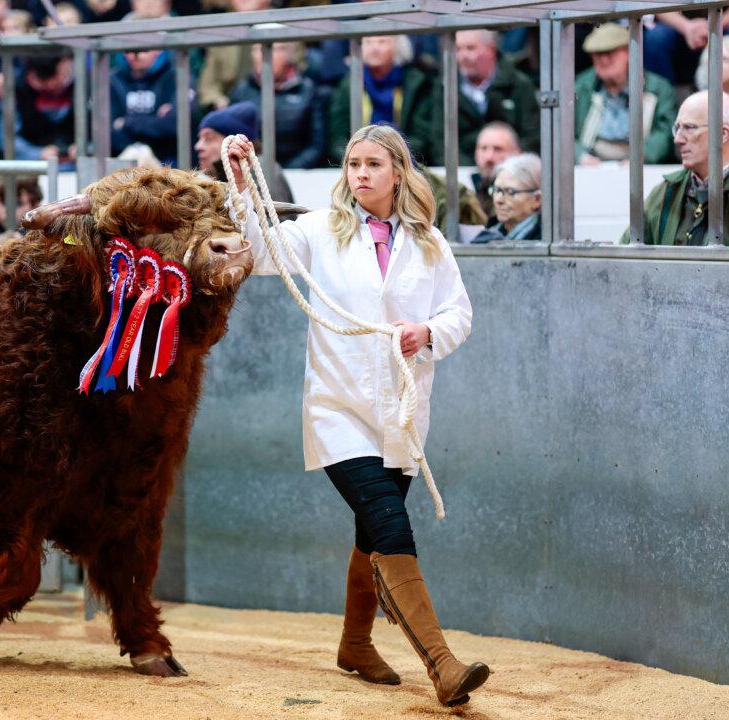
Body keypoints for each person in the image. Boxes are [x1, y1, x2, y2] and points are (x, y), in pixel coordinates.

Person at [225, 125, 488, 708]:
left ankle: (354, 644)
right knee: (390, 524)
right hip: (338, 407)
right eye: (352, 164)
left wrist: (430, 333)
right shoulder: (319, 230)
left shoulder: (430, 243)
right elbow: (261, 254)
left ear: (398, 172)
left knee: (371, 533)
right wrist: (241, 188)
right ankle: (442, 666)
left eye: (373, 164)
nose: (360, 174)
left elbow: (459, 312)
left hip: (402, 412)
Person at [620, 91, 729, 246]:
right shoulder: (664, 192)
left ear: (722, 134)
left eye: (689, 127)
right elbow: (626, 255)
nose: (677, 139)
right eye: (677, 128)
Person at [432, 29, 540, 165]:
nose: (462, 56)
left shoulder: (520, 85)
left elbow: (532, 137)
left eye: (470, 48)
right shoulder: (444, 86)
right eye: (458, 49)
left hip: (511, 172)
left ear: (491, 49)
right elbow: (440, 141)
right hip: (462, 174)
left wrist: (508, 168)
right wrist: (466, 173)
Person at [575, 23, 677, 165]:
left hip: (641, 167)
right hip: (591, 166)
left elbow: (665, 135)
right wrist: (580, 156)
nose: (604, 60)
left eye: (610, 53)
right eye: (598, 54)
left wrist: (639, 159)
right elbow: (564, 132)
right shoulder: (581, 85)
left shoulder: (659, 87)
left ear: (629, 52)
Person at [328, 35, 435, 165]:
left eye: (381, 42)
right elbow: (338, 136)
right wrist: (357, 160)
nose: (374, 48)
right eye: (368, 42)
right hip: (360, 163)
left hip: (406, 164)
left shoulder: (416, 83)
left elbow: (421, 135)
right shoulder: (348, 85)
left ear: (397, 46)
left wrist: (393, 159)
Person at [228, 41, 327, 170]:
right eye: (257, 50)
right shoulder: (240, 93)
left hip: (300, 176)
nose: (264, 55)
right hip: (252, 174)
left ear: (290, 54)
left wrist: (287, 172)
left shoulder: (309, 91)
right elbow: (230, 141)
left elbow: (318, 145)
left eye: (275, 49)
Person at [194, 101, 293, 202]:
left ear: (235, 142)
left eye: (209, 138)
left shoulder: (261, 170)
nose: (198, 146)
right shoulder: (220, 177)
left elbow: (273, 217)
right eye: (200, 139)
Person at [110, 48, 181, 166]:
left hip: (168, 162)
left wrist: (126, 122)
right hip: (121, 158)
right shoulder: (112, 79)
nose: (136, 54)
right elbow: (106, 133)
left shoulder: (174, 75)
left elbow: (174, 125)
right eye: (129, 50)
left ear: (158, 50)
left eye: (144, 49)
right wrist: (155, 122)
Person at [13, 55, 79, 164]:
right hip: (35, 166)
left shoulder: (85, 85)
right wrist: (38, 153)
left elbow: (105, 135)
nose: (52, 84)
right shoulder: (19, 89)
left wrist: (86, 148)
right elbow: (7, 140)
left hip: (77, 164)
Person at [471, 153, 542, 243]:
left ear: (537, 199)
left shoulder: (545, 241)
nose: (498, 200)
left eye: (510, 192)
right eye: (496, 190)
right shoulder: (488, 235)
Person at [471, 122, 521, 223]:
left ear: (516, 153)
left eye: (498, 149)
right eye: (483, 148)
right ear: (476, 153)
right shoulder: (465, 191)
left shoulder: (524, 196)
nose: (489, 157)